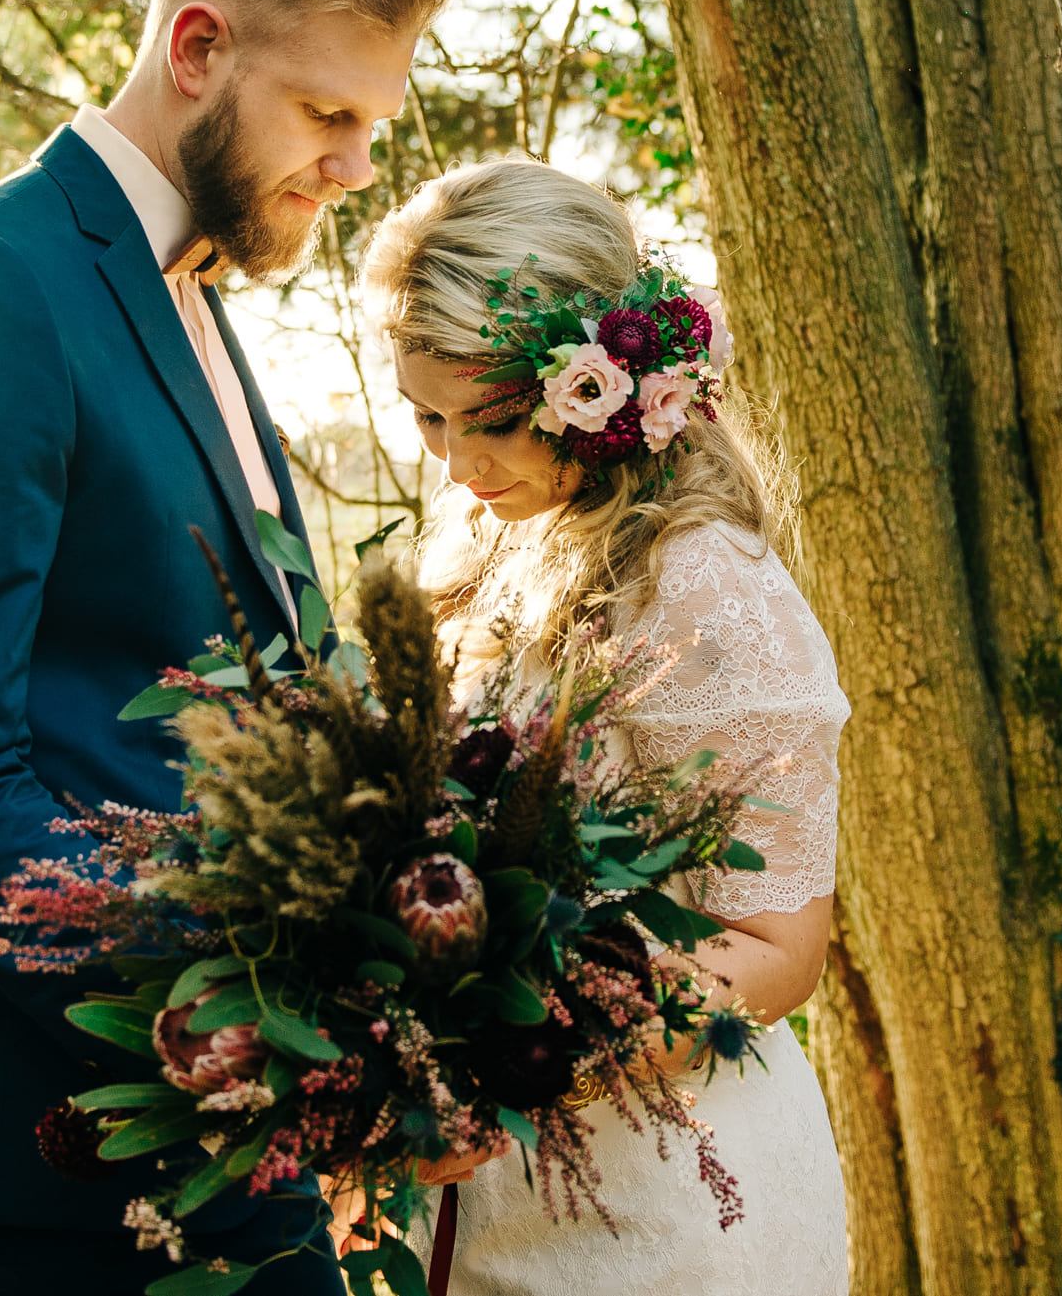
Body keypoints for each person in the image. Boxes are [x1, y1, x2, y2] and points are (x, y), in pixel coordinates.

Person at [0, 0, 451, 1296]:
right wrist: (254, 990)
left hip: (223, 1127)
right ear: (196, 48)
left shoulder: (179, 283)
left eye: (371, 129)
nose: (353, 166)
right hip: (62, 1134)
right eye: (329, 116)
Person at [363, 158, 852, 1293]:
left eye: (484, 421)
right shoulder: (493, 538)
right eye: (424, 416)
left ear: (595, 382)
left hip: (670, 1213)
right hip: (493, 1209)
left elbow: (780, 951)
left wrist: (513, 1068)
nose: (454, 463)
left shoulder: (704, 584)